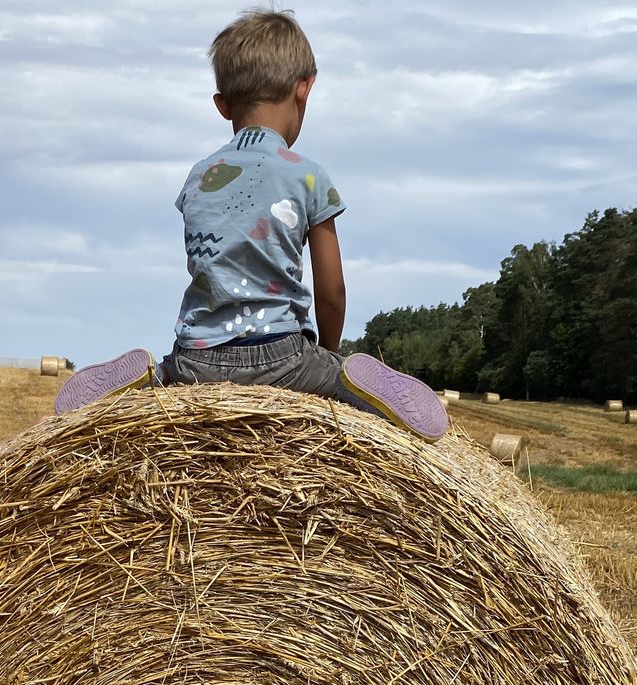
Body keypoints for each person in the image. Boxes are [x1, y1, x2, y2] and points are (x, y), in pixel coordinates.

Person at [54, 8, 448, 444]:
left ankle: (154, 377)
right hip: (282, 356)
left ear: (222, 104)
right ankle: (350, 379)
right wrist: (326, 355)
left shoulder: (199, 176)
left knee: (175, 371)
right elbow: (332, 293)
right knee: (339, 377)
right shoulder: (308, 175)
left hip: (196, 359)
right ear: (305, 88)